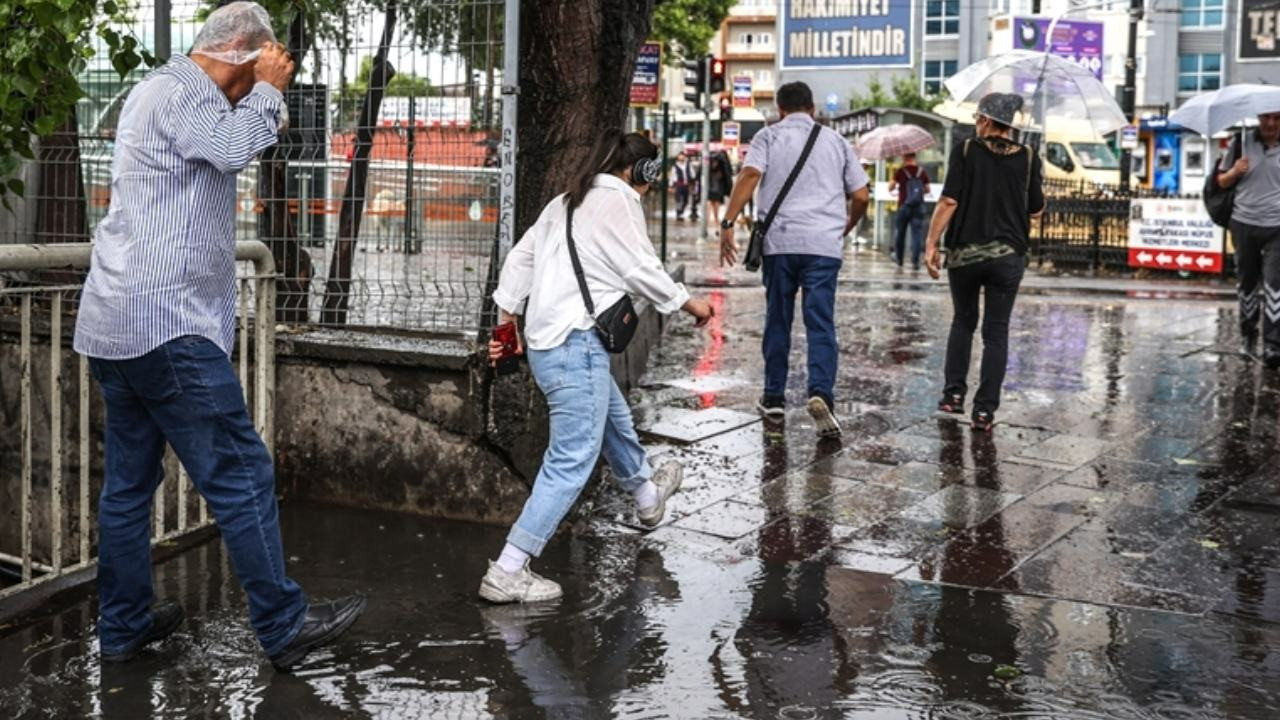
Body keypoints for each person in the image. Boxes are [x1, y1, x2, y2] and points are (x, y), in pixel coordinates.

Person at [73, 1, 365, 671]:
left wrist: (260, 91)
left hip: (119, 326)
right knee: (241, 473)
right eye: (248, 73)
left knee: (127, 485)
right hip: (167, 325)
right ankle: (284, 623)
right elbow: (237, 143)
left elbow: (240, 135)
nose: (247, 93)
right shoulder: (184, 90)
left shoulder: (166, 94)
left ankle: (122, 626)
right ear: (237, 49)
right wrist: (266, 85)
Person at [483, 130, 715, 603]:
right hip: (577, 345)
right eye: (650, 178)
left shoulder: (565, 201)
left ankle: (648, 499)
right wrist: (690, 304)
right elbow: (641, 268)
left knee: (612, 420)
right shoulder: (620, 203)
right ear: (642, 171)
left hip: (549, 346)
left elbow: (520, 259)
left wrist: (507, 321)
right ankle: (509, 569)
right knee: (570, 461)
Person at [717, 81, 871, 438]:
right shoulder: (836, 142)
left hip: (781, 243)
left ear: (780, 109)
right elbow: (861, 195)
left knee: (778, 319)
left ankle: (773, 397)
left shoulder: (768, 137)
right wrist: (845, 226)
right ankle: (821, 393)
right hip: (823, 246)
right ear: (813, 108)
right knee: (820, 322)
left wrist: (727, 223)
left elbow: (751, 175)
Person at [923, 92, 1046, 432]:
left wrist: (932, 243)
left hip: (965, 254)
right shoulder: (1029, 157)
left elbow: (949, 201)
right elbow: (1036, 210)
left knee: (963, 321)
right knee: (996, 331)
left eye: (978, 117)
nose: (976, 123)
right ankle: (984, 411)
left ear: (990, 120)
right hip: (1008, 256)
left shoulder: (965, 151)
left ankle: (953, 396)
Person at [1216, 111, 1280, 367]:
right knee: (1247, 283)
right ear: (1259, 119)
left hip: (1277, 226)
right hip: (1244, 224)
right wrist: (1234, 172)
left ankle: (1274, 345)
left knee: (1276, 286)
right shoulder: (1240, 142)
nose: (1272, 124)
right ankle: (1247, 336)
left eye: (1277, 118)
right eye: (1266, 118)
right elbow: (1220, 182)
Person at [888, 152, 931, 270]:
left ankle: (899, 259)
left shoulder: (901, 171)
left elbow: (890, 187)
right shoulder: (921, 172)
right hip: (918, 206)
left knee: (900, 233)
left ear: (904, 157)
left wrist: (898, 184)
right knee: (916, 234)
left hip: (904, 206)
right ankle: (915, 261)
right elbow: (927, 189)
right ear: (914, 157)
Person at [707, 151, 734, 230]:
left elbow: (727, 180)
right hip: (711, 191)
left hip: (717, 192)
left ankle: (716, 224)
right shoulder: (709, 170)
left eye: (716, 162)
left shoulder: (722, 171)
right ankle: (709, 224)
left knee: (715, 210)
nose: (714, 164)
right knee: (709, 206)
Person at [671, 152, 694, 221]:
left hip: (686, 185)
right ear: (678, 157)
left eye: (683, 156)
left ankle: (681, 211)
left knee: (686, 200)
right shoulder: (675, 166)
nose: (682, 157)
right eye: (680, 156)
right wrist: (671, 186)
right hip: (679, 185)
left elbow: (692, 174)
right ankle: (679, 213)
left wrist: (692, 182)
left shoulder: (688, 165)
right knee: (679, 199)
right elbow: (672, 176)